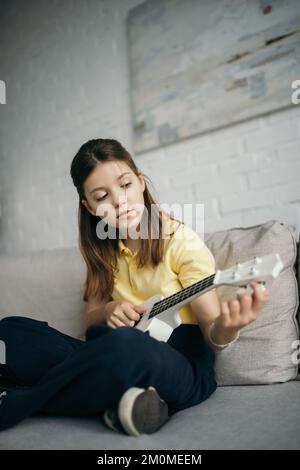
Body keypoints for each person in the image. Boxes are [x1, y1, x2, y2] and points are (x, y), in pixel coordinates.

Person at [0, 138, 269, 436]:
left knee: (124, 346)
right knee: (12, 332)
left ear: (141, 183)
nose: (119, 201)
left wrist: (228, 328)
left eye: (125, 185)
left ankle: (19, 400)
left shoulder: (180, 241)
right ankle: (123, 401)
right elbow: (91, 320)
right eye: (102, 196)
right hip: (108, 354)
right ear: (89, 207)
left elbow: (212, 333)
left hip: (179, 364)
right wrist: (109, 309)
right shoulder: (103, 252)